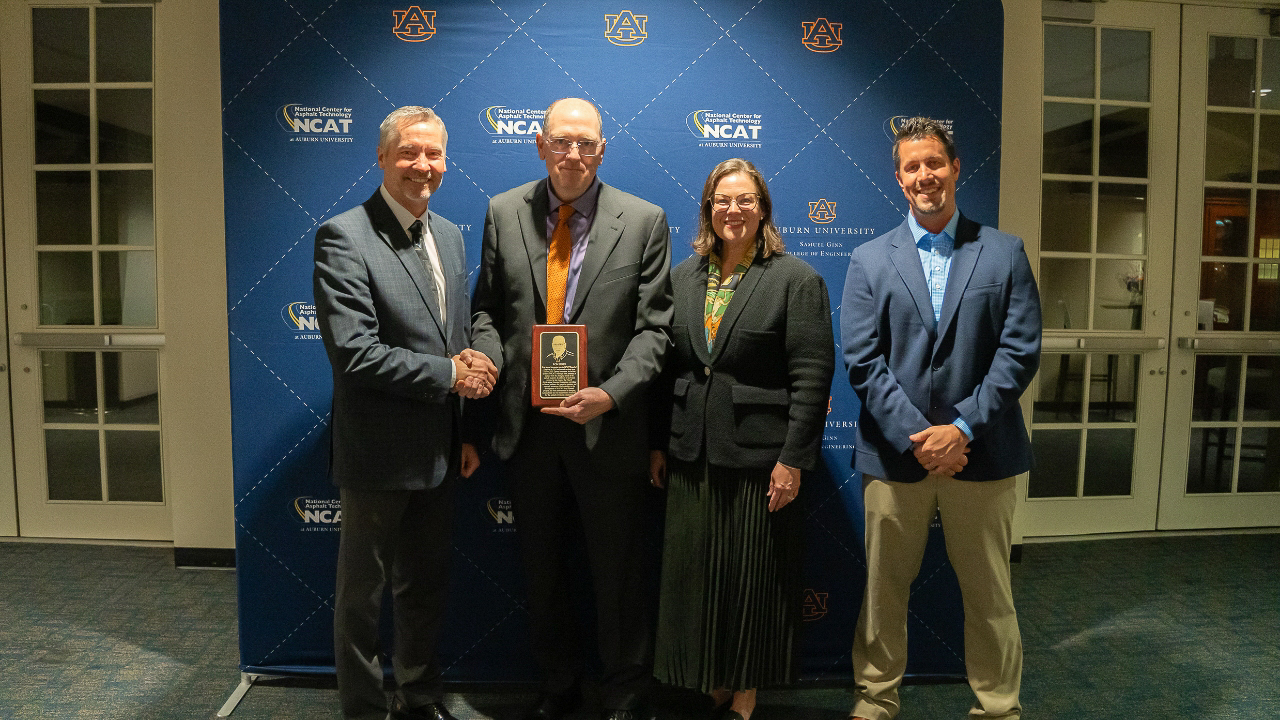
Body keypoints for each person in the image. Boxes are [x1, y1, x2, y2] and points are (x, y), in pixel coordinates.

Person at [469, 98, 673, 720]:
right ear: (540, 144)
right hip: (528, 431)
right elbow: (486, 312)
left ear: (602, 150)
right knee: (542, 570)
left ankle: (625, 690)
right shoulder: (504, 212)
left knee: (618, 573)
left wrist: (609, 394)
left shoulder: (643, 220)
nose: (573, 154)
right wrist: (486, 360)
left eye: (586, 143)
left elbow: (655, 332)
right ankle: (558, 685)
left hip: (607, 431)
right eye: (561, 142)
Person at [840, 117, 1041, 720]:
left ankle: (999, 705)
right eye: (911, 167)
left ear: (955, 168)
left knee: (989, 596)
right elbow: (862, 358)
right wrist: (918, 436)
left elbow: (1020, 349)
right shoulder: (869, 259)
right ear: (898, 179)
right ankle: (876, 698)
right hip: (894, 455)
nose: (924, 175)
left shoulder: (1004, 252)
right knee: (883, 594)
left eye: (934, 162)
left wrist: (962, 429)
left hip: (984, 454)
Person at [314, 106, 497, 720]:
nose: (423, 166)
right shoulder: (344, 236)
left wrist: (464, 427)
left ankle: (419, 698)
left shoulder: (449, 234)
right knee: (362, 599)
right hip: (377, 452)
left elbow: (457, 335)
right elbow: (355, 354)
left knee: (423, 588)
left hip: (441, 450)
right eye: (410, 153)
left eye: (435, 154)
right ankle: (365, 709)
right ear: (383, 158)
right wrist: (450, 375)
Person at [649, 159, 834, 720]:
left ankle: (746, 693)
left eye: (746, 200)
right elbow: (667, 370)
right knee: (699, 581)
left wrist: (793, 460)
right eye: (722, 201)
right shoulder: (681, 277)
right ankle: (709, 682)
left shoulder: (796, 279)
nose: (734, 210)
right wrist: (659, 442)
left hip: (761, 459)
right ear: (708, 209)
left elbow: (812, 375)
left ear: (764, 208)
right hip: (691, 454)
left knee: (753, 582)